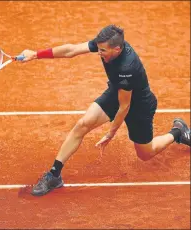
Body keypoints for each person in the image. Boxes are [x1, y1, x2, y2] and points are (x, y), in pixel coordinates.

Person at [17, 25, 190, 196]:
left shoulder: (127, 67)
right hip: (118, 92)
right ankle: (54, 174)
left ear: (117, 49)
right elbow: (72, 50)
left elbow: (125, 107)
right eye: (98, 49)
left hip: (140, 105)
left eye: (103, 51)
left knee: (146, 153)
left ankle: (177, 132)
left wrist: (110, 133)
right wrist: (36, 54)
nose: (99, 53)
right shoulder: (107, 44)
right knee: (83, 124)